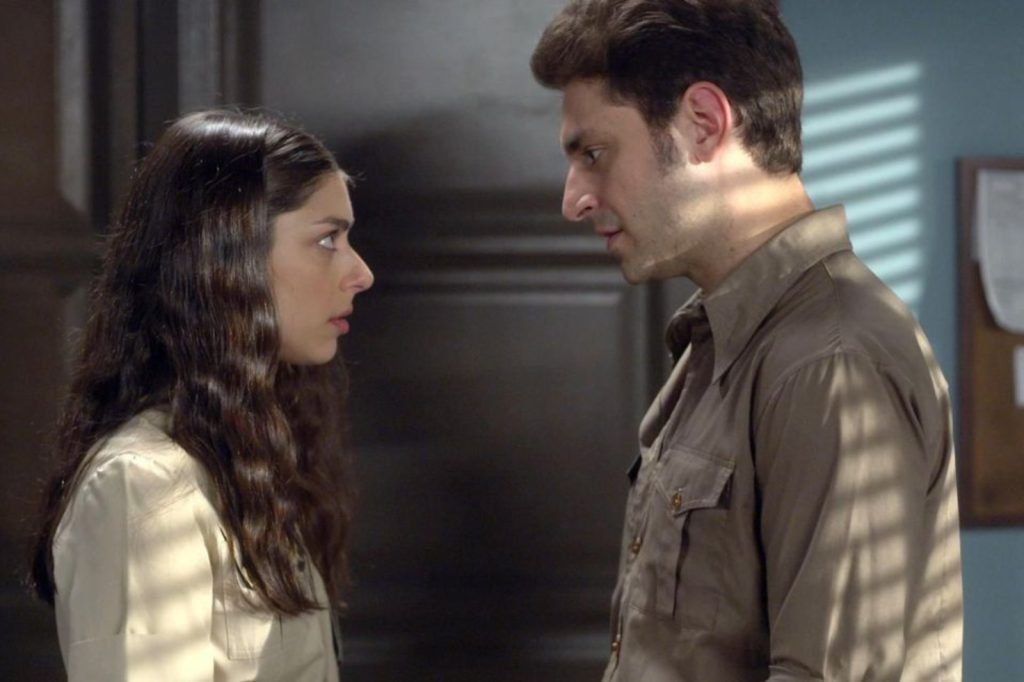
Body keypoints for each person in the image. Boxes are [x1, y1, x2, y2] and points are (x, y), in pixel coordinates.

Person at [531, 1, 963, 680]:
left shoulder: (829, 360)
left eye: (594, 154)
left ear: (704, 123)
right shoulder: (722, 341)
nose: (573, 200)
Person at [30, 110, 374, 680]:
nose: (361, 273)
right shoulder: (145, 484)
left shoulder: (250, 454)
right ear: (226, 256)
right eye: (326, 239)